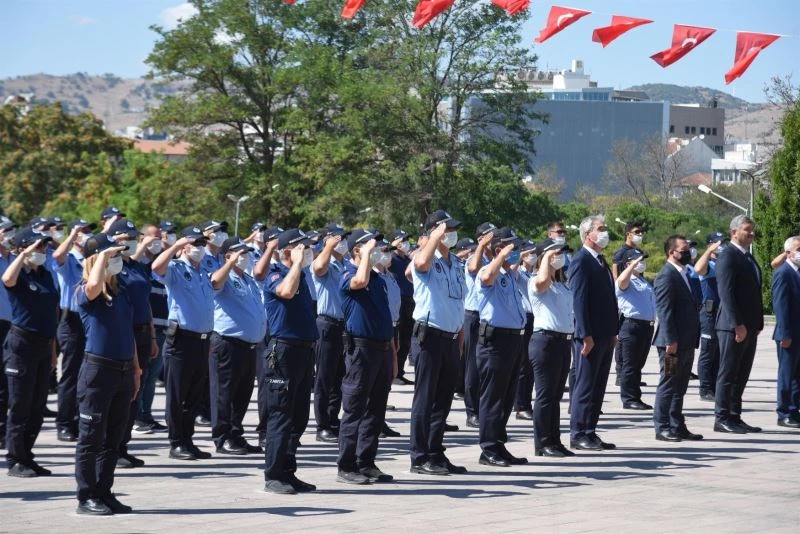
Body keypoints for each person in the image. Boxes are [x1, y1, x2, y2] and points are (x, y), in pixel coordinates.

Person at [73, 233, 141, 515]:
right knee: (91, 438)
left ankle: (104, 491)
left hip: (124, 370)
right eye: (111, 255)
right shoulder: (84, 291)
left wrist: (136, 369)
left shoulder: (122, 291)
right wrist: (102, 256)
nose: (117, 260)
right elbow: (92, 287)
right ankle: (86, 496)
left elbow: (128, 332)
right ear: (96, 259)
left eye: (116, 256)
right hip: (98, 371)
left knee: (113, 439)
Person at [409, 211, 467, 476]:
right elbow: (419, 263)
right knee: (425, 399)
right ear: (434, 231)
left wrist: (461, 336)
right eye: (447, 228)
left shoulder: (455, 262)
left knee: (442, 400)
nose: (452, 233)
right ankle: (419, 457)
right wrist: (431, 238)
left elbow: (459, 303)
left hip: (451, 337)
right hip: (429, 336)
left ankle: (435, 451)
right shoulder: (425, 258)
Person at [261, 228, 318, 494]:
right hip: (283, 352)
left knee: (298, 417)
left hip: (304, 351)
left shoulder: (302, 275)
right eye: (302, 248)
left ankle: (288, 471)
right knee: (280, 415)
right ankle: (273, 475)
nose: (307, 252)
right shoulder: (276, 274)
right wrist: (295, 263)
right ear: (287, 251)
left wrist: (299, 266)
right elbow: (284, 292)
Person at [336, 229, 395, 484]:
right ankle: (346, 465)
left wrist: (392, 354)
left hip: (382, 347)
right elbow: (358, 283)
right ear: (357, 250)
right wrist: (366, 255)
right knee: (355, 408)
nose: (379, 250)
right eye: (372, 246)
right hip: (361, 349)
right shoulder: (348, 273)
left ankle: (366, 460)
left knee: (376, 409)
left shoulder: (379, 279)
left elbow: (386, 318)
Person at [151, 225, 215, 460]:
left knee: (194, 395)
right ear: (185, 245)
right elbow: (156, 268)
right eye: (195, 243)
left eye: (202, 244)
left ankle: (188, 439)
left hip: (202, 339)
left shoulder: (203, 272)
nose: (200, 247)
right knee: (177, 395)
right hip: (181, 339)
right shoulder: (176, 268)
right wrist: (175, 246)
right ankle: (176, 442)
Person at [2, 227, 58, 477]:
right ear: (23, 249)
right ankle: (15, 459)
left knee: (37, 406)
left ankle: (28, 454)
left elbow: (51, 312)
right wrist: (21, 256)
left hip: (44, 344)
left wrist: (54, 349)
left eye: (44, 247)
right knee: (20, 405)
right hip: (21, 345)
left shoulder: (45, 275)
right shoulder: (18, 275)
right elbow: (6, 280)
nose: (42, 251)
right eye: (37, 247)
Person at [104, 219, 158, 469]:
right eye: (127, 238)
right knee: (121, 393)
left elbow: (145, 301)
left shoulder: (136, 267)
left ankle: (122, 446)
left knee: (135, 392)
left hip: (143, 332)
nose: (133, 241)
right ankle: (111, 448)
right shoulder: (111, 269)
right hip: (124, 334)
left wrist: (153, 335)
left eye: (134, 237)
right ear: (116, 240)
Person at [475, 227, 528, 467]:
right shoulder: (489, 271)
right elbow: (486, 277)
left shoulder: (509, 276)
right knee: (493, 397)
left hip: (513, 340)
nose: (516, 251)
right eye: (512, 248)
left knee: (507, 397)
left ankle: (499, 443)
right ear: (500, 250)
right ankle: (487, 448)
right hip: (495, 342)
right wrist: (499, 256)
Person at [209, 237, 266, 454]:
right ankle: (222, 437)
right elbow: (213, 283)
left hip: (249, 345)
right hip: (227, 343)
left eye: (246, 253)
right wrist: (230, 264)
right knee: (224, 393)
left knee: (243, 393)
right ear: (228, 256)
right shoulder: (224, 276)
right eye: (240, 253)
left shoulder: (248, 280)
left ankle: (236, 433)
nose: (245, 257)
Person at [568, 215, 619, 451]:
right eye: (600, 229)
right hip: (589, 336)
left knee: (598, 386)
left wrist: (613, 332)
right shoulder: (580, 261)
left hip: (605, 333)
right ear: (588, 234)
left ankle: (590, 430)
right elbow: (579, 301)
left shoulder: (600, 260)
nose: (604, 232)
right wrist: (585, 334)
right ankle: (578, 432)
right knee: (585, 385)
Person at [714, 215, 764, 434]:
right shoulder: (728, 256)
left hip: (749, 325)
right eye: (747, 230)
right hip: (732, 326)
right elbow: (726, 293)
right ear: (734, 232)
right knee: (728, 373)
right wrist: (737, 324)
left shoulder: (747, 257)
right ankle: (722, 417)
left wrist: (757, 323)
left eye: (752, 230)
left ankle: (734, 415)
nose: (751, 234)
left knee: (741, 373)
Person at [651, 235, 703, 442]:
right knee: (668, 383)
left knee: (680, 385)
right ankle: (662, 426)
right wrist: (671, 340)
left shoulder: (685, 274)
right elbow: (664, 311)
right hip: (671, 343)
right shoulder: (666, 276)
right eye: (683, 249)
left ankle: (676, 424)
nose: (688, 252)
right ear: (672, 252)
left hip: (686, 341)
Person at [51, 219, 97, 443]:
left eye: (89, 231)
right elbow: (56, 256)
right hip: (71, 320)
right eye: (83, 231)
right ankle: (65, 423)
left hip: (91, 320)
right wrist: (72, 235)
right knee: (70, 375)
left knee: (87, 375)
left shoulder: (93, 260)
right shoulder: (69, 259)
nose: (87, 234)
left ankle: (81, 419)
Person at [528, 238, 574, 457]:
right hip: (545, 341)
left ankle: (554, 440)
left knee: (555, 396)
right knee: (545, 395)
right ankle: (543, 443)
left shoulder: (562, 285)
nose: (560, 256)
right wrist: (546, 256)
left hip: (563, 341)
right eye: (556, 253)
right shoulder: (536, 280)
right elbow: (542, 281)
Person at [311, 223, 350, 443]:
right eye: (338, 237)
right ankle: (322, 424)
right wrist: (327, 246)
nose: (342, 241)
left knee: (339, 377)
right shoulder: (324, 261)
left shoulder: (345, 264)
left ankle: (334, 420)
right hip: (326, 323)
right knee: (324, 377)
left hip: (344, 325)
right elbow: (318, 268)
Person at [131, 222, 170, 433]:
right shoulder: (138, 265)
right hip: (146, 328)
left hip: (162, 327)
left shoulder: (159, 263)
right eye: (154, 238)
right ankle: (137, 415)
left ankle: (146, 414)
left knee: (152, 376)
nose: (159, 242)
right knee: (142, 374)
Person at [463, 222, 497, 429]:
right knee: (474, 365)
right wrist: (481, 247)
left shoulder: (494, 260)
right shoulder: (473, 258)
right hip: (474, 315)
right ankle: (472, 411)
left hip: (490, 318)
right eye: (490, 238)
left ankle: (484, 408)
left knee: (487, 366)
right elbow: (474, 268)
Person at [615, 248, 655, 410]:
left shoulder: (642, 281)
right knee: (630, 365)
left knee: (638, 364)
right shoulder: (626, 280)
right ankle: (629, 398)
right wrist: (631, 267)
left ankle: (635, 395)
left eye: (642, 260)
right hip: (631, 326)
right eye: (638, 260)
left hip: (646, 327)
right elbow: (621, 282)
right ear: (628, 263)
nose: (641, 263)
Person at [770, 236, 800, 428]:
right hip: (788, 333)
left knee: (797, 375)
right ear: (788, 253)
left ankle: (794, 409)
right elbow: (780, 305)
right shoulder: (783, 273)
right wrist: (785, 333)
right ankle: (784, 412)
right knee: (787, 374)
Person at [693, 232, 724, 401]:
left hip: (722, 313)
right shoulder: (707, 264)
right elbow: (698, 268)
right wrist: (708, 251)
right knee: (707, 352)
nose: (720, 246)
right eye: (716, 243)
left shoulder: (721, 263)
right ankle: (705, 389)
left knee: (718, 352)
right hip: (709, 313)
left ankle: (714, 386)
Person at [0, 218, 18, 450]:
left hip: (15, 325)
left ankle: (4, 429)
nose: (8, 234)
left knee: (6, 381)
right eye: (5, 230)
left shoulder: (13, 259)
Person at [514, 240, 537, 421]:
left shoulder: (535, 274)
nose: (532, 255)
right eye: (529, 252)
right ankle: (521, 405)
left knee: (530, 366)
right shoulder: (517, 272)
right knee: (523, 364)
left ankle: (526, 402)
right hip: (524, 319)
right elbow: (510, 273)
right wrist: (519, 258)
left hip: (536, 319)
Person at [389, 230, 415, 386]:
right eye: (401, 240)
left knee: (406, 340)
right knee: (397, 339)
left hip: (410, 300)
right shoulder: (391, 258)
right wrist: (391, 247)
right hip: (398, 302)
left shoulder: (407, 259)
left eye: (406, 239)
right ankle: (393, 372)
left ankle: (400, 372)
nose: (405, 242)